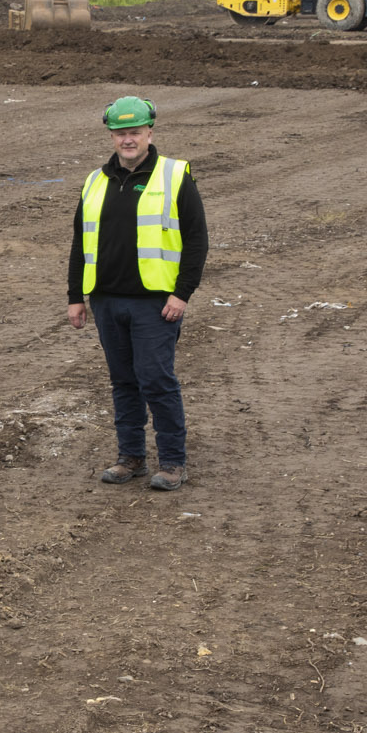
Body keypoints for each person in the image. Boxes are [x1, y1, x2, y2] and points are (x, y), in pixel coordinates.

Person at [65, 96, 208, 492]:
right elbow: (81, 242)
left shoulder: (175, 175)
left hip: (156, 303)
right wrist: (76, 296)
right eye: (121, 133)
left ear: (150, 132)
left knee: (156, 380)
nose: (128, 140)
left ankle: (173, 462)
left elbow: (197, 240)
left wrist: (182, 294)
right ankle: (131, 457)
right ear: (111, 136)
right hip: (107, 300)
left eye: (135, 132)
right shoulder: (95, 180)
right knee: (123, 381)